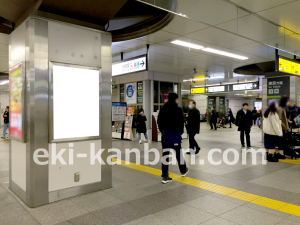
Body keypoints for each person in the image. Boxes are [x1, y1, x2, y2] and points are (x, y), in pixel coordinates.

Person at [158, 93, 189, 184]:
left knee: (165, 156)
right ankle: (183, 170)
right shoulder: (178, 109)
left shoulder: (163, 109)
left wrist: (163, 131)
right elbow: (181, 122)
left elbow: (159, 121)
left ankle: (165, 176)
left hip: (166, 136)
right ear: (175, 99)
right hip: (175, 135)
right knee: (179, 154)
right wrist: (180, 132)